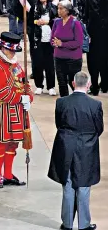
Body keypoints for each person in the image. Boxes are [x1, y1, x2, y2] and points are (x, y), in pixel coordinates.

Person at [48, 71, 102, 230]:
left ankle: (67, 224)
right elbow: (99, 128)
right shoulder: (95, 105)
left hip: (66, 146)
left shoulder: (61, 102)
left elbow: (59, 124)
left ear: (73, 83)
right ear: (89, 84)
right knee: (84, 186)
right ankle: (84, 225)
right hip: (86, 148)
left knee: (68, 184)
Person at [0, 31, 33, 189]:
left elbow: (25, 83)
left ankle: (8, 174)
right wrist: (21, 98)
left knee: (13, 144)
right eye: (11, 50)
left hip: (18, 111)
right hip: (4, 110)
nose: (13, 53)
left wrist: (29, 97)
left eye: (15, 50)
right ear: (3, 48)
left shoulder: (16, 64)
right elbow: (1, 93)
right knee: (1, 144)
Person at [51, 0, 84, 97]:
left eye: (61, 8)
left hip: (73, 59)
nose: (59, 10)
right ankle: (64, 103)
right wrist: (54, 43)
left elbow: (78, 42)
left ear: (68, 10)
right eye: (58, 8)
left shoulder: (75, 23)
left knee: (73, 83)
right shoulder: (56, 22)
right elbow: (52, 39)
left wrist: (62, 44)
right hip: (59, 57)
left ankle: (78, 101)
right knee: (61, 83)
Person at [84, 0, 108, 95]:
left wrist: (89, 33)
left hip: (96, 32)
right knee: (104, 59)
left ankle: (94, 87)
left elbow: (94, 15)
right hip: (105, 31)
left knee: (93, 60)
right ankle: (104, 84)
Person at [30, 0, 58, 95]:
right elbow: (30, 22)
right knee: (38, 62)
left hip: (49, 39)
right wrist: (37, 22)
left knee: (50, 63)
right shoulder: (34, 7)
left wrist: (48, 22)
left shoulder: (53, 7)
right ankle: (39, 85)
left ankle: (51, 86)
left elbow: (56, 21)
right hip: (37, 39)